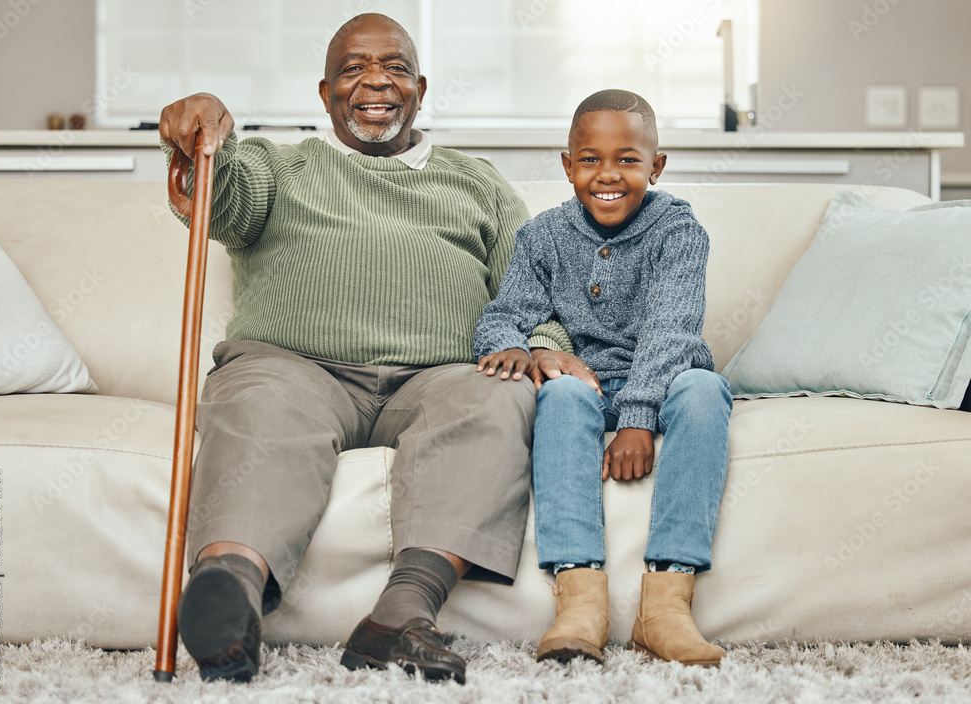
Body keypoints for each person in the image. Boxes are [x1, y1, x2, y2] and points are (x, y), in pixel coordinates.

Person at [158, 13, 570, 684]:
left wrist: (546, 346)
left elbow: (531, 290)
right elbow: (222, 202)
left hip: (442, 375)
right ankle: (227, 590)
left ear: (421, 88)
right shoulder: (279, 166)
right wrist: (211, 138)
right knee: (259, 407)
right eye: (353, 69)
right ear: (324, 94)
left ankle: (400, 614)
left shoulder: (478, 182)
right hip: (294, 368)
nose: (376, 80)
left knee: (499, 395)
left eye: (395, 68)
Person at [474, 89, 732, 667]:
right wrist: (519, 348)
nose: (607, 174)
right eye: (589, 159)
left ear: (656, 167)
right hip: (588, 382)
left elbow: (671, 330)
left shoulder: (679, 233)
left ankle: (665, 604)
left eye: (628, 160)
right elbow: (502, 315)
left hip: (666, 377)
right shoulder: (542, 237)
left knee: (705, 390)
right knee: (561, 395)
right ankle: (578, 601)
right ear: (567, 166)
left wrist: (638, 420)